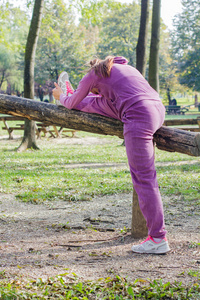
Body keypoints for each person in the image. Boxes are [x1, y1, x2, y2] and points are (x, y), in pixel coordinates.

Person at [53, 56, 170, 254]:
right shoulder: (126, 67)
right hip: (157, 108)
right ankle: (70, 91)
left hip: (138, 115)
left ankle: (158, 238)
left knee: (144, 178)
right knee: (98, 103)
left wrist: (61, 97)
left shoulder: (93, 75)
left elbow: (72, 103)